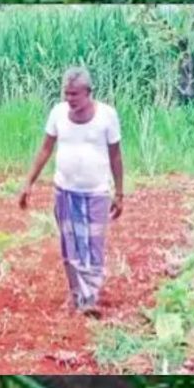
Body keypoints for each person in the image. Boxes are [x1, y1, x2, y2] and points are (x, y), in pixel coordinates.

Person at [18, 66, 124, 316]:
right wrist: (28, 183)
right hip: (64, 190)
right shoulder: (57, 113)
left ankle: (91, 298)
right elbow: (45, 149)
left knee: (93, 244)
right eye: (66, 94)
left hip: (96, 192)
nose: (69, 99)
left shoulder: (107, 116)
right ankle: (77, 294)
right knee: (70, 246)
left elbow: (116, 156)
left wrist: (119, 193)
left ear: (89, 92)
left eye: (75, 94)